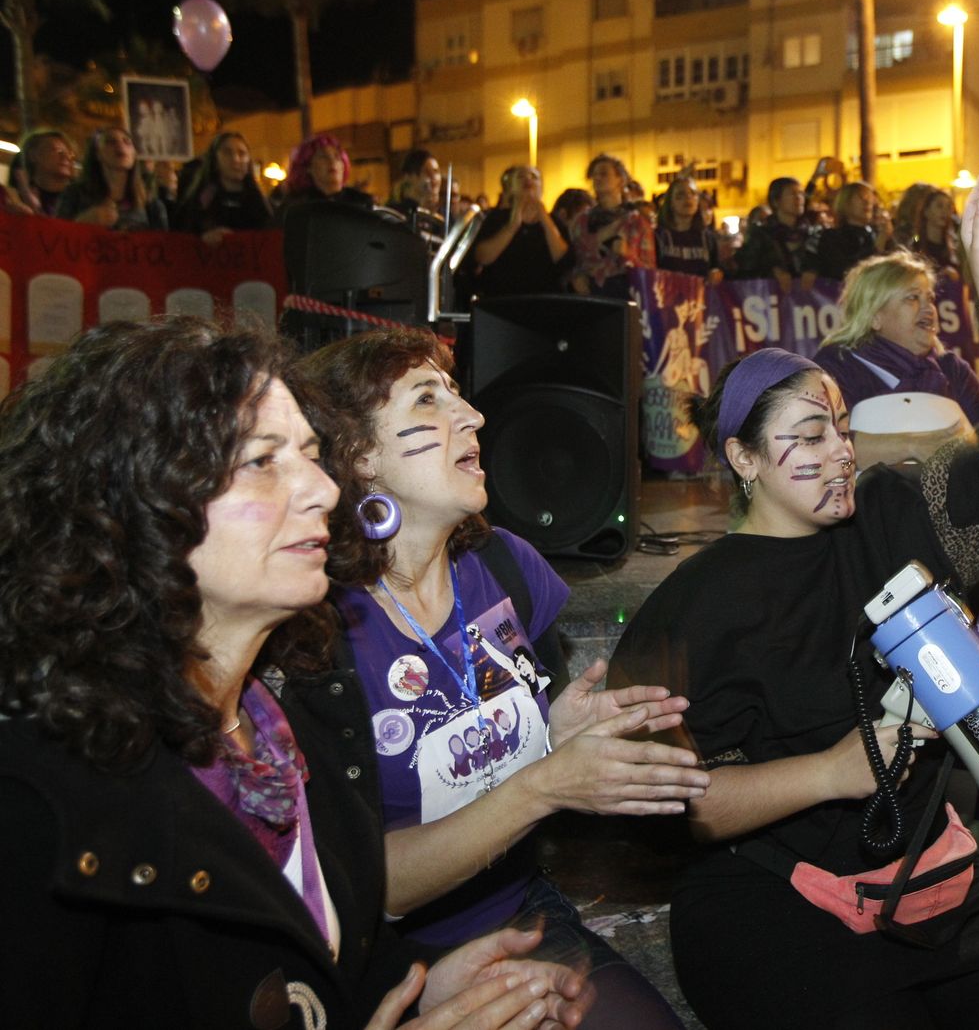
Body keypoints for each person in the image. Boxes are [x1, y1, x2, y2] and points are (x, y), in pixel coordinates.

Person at [605, 172, 979, 1030]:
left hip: (931, 874)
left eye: (841, 427)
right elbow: (680, 801)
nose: (839, 452)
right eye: (807, 436)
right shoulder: (694, 604)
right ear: (742, 459)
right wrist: (835, 770)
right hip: (770, 902)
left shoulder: (891, 513)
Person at [0, 317, 593, 1029]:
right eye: (261, 461)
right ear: (126, 502)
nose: (321, 488)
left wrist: (410, 985)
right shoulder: (38, 804)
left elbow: (311, 961)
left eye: (311, 455)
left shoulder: (273, 728)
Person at [295, 327, 704, 1028]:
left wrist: (556, 737)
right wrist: (544, 783)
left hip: (519, 910)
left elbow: (494, 744)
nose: (474, 416)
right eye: (429, 400)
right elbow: (359, 884)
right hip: (379, 955)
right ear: (360, 455)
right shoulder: (317, 631)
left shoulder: (507, 568)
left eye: (457, 394)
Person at [812, 251, 979, 426]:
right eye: (913, 297)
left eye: (930, 298)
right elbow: (832, 439)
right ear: (875, 316)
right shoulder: (838, 366)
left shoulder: (952, 370)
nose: (929, 308)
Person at [470, 165, 569, 298]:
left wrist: (544, 218)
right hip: (502, 301)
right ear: (511, 187)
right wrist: (513, 226)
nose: (528, 179)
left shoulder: (554, 221)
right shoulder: (496, 217)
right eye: (521, 176)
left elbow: (564, 260)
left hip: (546, 300)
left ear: (542, 188)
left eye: (534, 177)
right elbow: (482, 257)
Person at [569, 153, 654, 297]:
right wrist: (575, 276)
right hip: (591, 293)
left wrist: (628, 255)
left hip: (626, 293)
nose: (597, 179)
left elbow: (650, 270)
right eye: (594, 175)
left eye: (604, 174)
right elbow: (572, 259)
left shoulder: (637, 221)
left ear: (620, 180)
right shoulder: (581, 221)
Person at [55, 126, 167, 230]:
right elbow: (54, 239)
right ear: (97, 154)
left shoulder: (151, 204)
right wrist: (81, 223)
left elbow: (164, 245)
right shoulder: (74, 194)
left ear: (134, 154)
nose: (120, 145)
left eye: (127, 142)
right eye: (111, 142)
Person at [175, 131, 274, 244]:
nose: (236, 159)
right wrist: (202, 237)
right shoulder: (204, 197)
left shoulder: (258, 200)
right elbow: (184, 231)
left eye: (242, 153)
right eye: (227, 153)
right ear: (215, 160)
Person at [805, 180, 892, 283]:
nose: (867, 202)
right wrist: (878, 245)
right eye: (861, 197)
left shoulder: (876, 233)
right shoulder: (832, 237)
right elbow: (846, 271)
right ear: (846, 202)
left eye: (870, 198)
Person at [735, 176, 814, 290]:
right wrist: (772, 270)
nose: (799, 198)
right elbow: (746, 267)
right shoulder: (761, 234)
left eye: (801, 194)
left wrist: (813, 270)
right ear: (776, 201)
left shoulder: (812, 233)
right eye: (792, 194)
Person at [277, 134, 374, 219]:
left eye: (337, 156)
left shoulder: (361, 203)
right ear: (307, 166)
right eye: (323, 156)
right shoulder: (294, 207)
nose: (332, 162)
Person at [654, 176, 725, 283]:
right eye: (680, 195)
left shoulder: (707, 238)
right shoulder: (659, 237)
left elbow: (715, 267)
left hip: (700, 297)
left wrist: (716, 274)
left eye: (693, 193)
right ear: (671, 203)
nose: (688, 198)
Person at [12, 128, 76, 216]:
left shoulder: (80, 201)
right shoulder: (14, 199)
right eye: (57, 150)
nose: (66, 157)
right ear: (33, 155)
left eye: (70, 153)